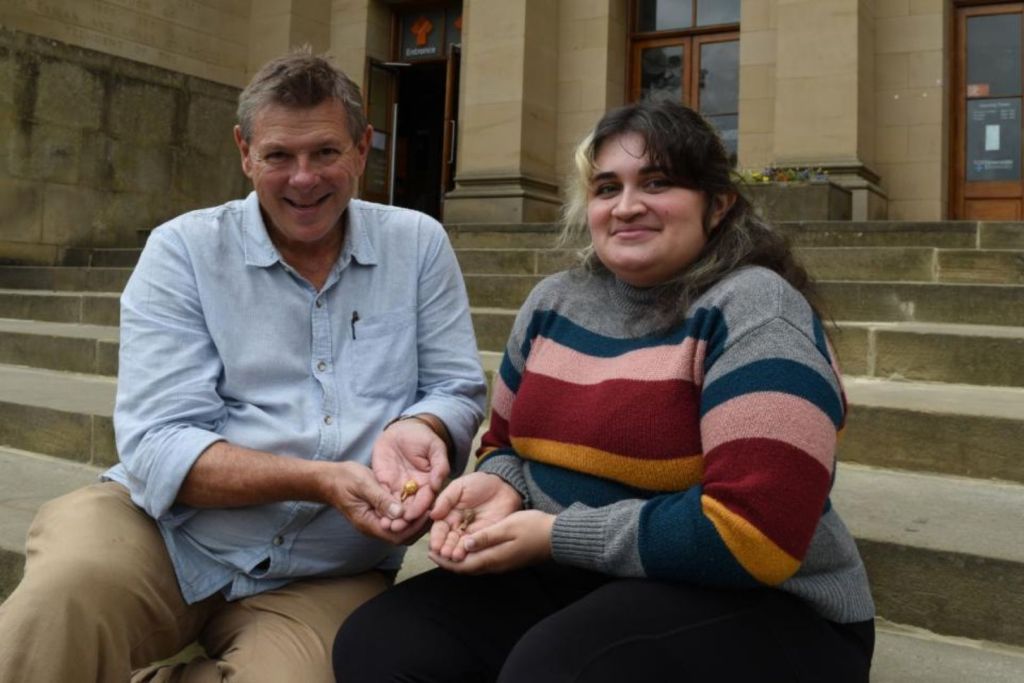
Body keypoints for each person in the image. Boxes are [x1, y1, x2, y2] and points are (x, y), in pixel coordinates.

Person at [333, 100, 875, 682]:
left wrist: (554, 536)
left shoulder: (755, 309)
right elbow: (505, 444)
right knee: (379, 645)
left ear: (718, 205)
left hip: (765, 598)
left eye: (658, 183)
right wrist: (494, 486)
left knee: (560, 669)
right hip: (574, 574)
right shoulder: (554, 302)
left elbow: (755, 531)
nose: (627, 206)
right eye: (606, 187)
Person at [0, 51, 486, 682]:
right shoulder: (185, 250)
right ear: (244, 152)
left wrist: (424, 426)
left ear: (364, 149)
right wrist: (320, 479)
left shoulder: (418, 245)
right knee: (59, 605)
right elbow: (158, 445)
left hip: (325, 572)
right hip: (162, 532)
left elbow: (454, 386)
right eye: (279, 155)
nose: (304, 179)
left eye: (326, 153)